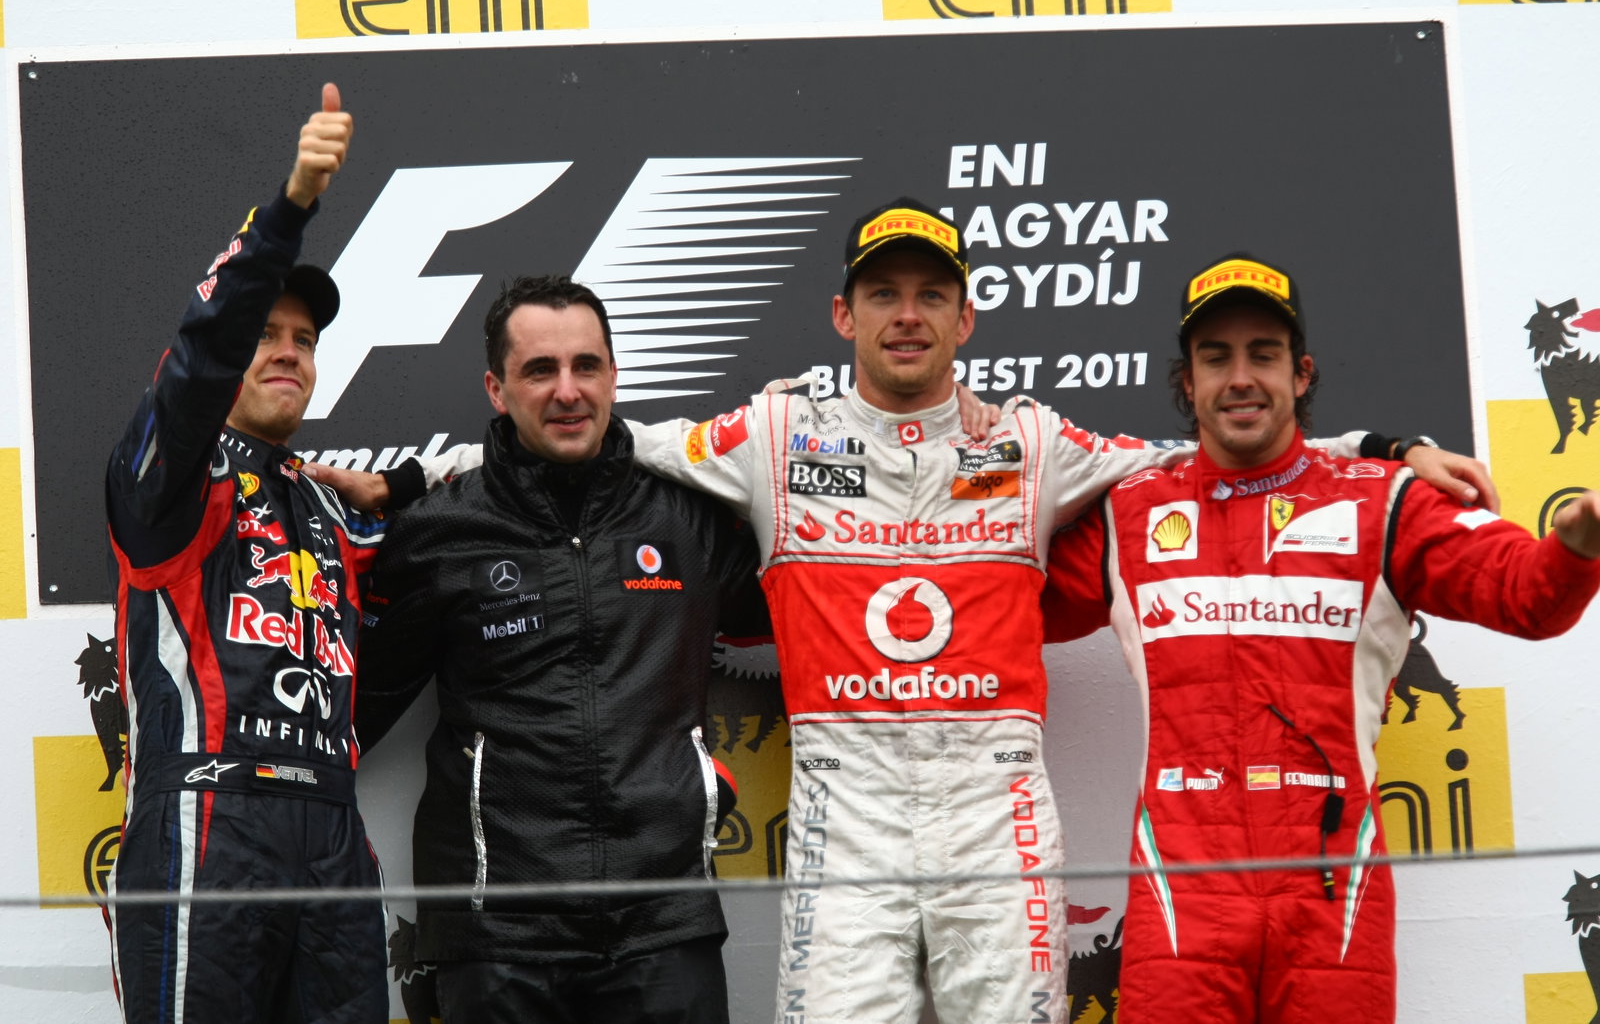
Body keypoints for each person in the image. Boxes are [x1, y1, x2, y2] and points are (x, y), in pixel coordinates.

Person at [311, 201, 1486, 1023]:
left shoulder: (1033, 442)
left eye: (932, 294)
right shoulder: (778, 433)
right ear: (843, 313)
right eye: (883, 293)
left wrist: (1377, 447)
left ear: (968, 317)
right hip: (847, 798)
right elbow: (603, 441)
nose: (907, 314)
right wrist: (412, 482)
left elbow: (1213, 451)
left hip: (994, 798)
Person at [1043, 253, 1600, 1023]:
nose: (1241, 377)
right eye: (1216, 357)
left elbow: (1524, 595)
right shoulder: (1129, 513)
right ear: (1188, 382)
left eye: (1263, 354)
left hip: (1333, 895)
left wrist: (1575, 544)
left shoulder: (1385, 501)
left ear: (1301, 373)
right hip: (1181, 897)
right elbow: (1002, 604)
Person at [351, 275, 767, 1024]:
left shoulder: (688, 520)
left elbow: (822, 601)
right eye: (540, 370)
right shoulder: (440, 530)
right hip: (496, 935)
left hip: (664, 923)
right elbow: (352, 709)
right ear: (497, 389)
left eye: (586, 366)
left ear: (613, 375)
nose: (568, 391)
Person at [105, 85, 390, 1023]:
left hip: (335, 832)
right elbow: (194, 368)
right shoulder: (170, 485)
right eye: (265, 334)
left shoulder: (331, 507)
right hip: (209, 816)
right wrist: (291, 208)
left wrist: (403, 489)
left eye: (303, 339)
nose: (288, 352)